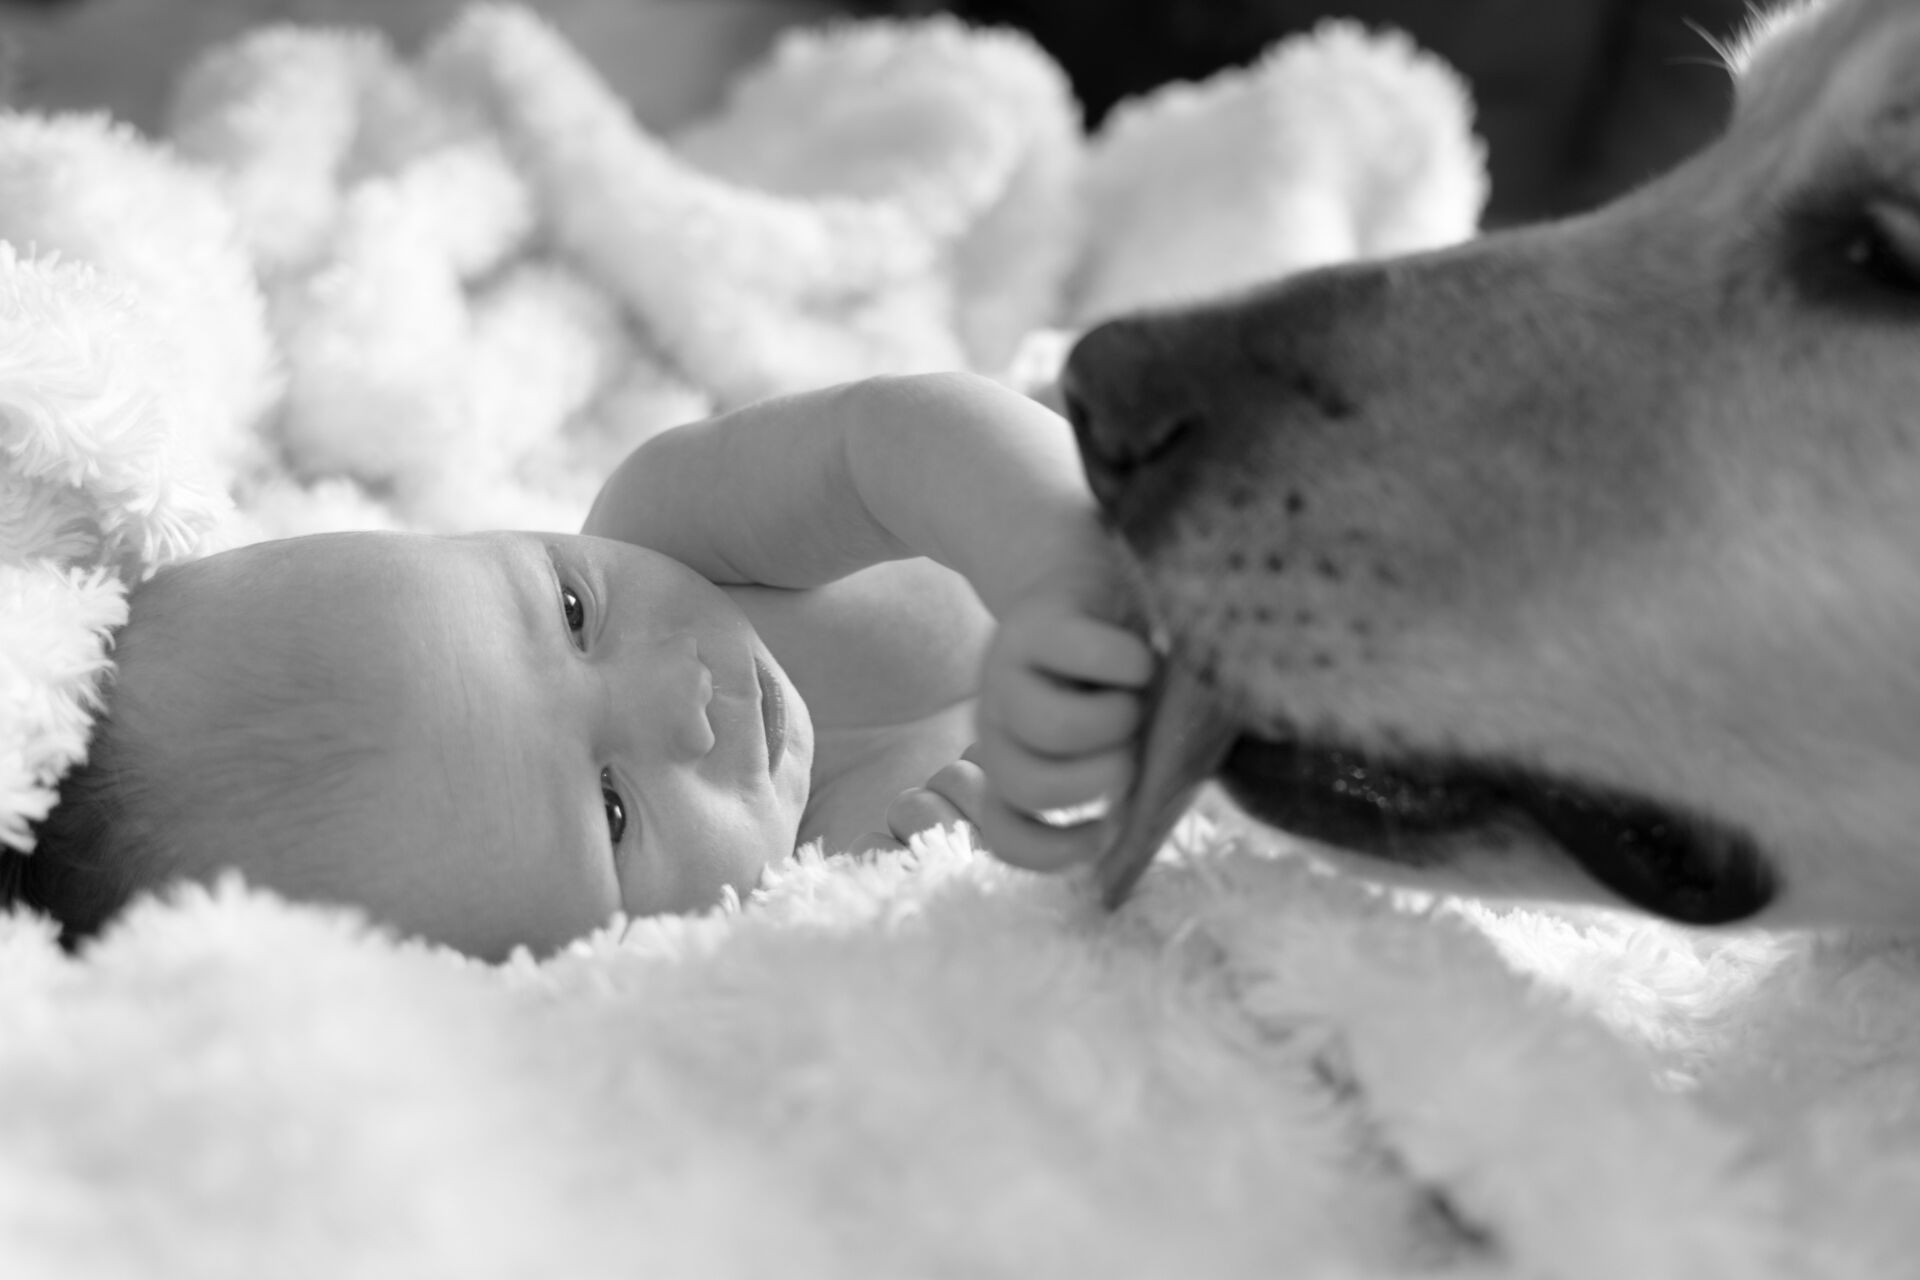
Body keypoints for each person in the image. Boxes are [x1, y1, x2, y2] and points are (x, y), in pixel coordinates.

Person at [5, 372, 1155, 959]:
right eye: (611, 809)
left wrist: (1050, 543)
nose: (683, 694)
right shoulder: (798, 919)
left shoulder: (679, 527)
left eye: (569, 611)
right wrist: (980, 869)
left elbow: (895, 434)